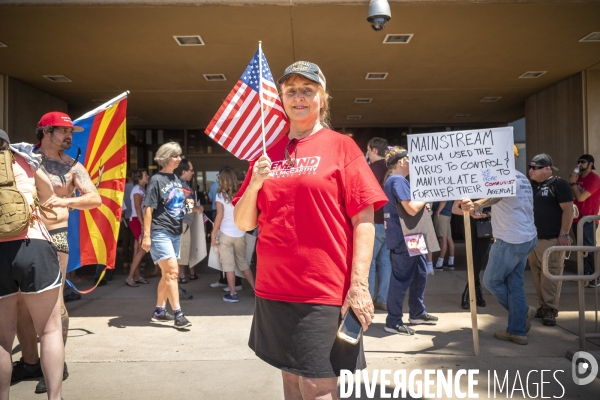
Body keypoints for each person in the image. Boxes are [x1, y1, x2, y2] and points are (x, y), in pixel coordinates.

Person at [233, 61, 387, 399]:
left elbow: (364, 220)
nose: (299, 97)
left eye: (308, 90)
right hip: (274, 288)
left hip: (324, 291)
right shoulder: (265, 153)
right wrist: (256, 182)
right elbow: (244, 222)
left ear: (323, 99)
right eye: (291, 91)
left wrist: (359, 286)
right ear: (282, 99)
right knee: (290, 379)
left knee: (317, 384)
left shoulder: (342, 146)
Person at [11, 112, 102, 394]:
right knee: (20, 305)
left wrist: (63, 202)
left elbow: (94, 198)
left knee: (55, 305)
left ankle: (56, 365)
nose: (69, 136)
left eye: (70, 131)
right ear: (46, 132)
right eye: (63, 131)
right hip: (22, 236)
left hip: (55, 238)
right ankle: (30, 362)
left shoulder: (73, 166)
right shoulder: (23, 158)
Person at [0, 130, 65, 400]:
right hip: (33, 245)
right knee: (49, 330)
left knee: (3, 339)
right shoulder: (23, 159)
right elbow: (50, 194)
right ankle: (54, 397)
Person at [460, 165, 538, 345]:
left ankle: (522, 312)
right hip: (526, 236)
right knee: (515, 283)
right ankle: (517, 331)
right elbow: (510, 204)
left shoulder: (507, 177)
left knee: (491, 281)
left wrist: (478, 203)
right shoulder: (521, 176)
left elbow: (500, 194)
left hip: (510, 240)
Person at [141, 142, 203, 330]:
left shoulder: (176, 180)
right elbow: (149, 209)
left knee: (167, 274)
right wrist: (146, 236)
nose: (179, 159)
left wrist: (192, 206)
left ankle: (159, 310)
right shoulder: (156, 180)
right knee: (173, 273)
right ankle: (178, 314)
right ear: (167, 157)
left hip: (175, 232)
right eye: (176, 156)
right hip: (160, 232)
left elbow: (182, 207)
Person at [383, 146, 439, 336]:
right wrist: (427, 196)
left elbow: (413, 207)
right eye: (410, 158)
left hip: (412, 235)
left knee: (419, 273)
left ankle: (417, 313)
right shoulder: (397, 180)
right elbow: (412, 209)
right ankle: (393, 321)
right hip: (405, 237)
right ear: (401, 162)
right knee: (401, 279)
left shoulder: (398, 180)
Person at [527, 154, 573, 326]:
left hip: (551, 239)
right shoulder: (529, 185)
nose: (531, 170)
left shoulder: (558, 184)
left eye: (535, 167)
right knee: (537, 276)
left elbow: (568, 211)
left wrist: (564, 234)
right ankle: (543, 306)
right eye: (530, 167)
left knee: (551, 275)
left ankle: (550, 309)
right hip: (531, 239)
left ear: (548, 169)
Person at [211, 168, 255, 302]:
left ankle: (233, 293)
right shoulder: (240, 194)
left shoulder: (220, 196)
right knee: (243, 263)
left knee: (228, 266)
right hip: (239, 233)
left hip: (225, 234)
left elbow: (219, 215)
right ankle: (256, 290)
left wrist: (213, 233)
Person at [366, 137, 391, 312]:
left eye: (368, 150)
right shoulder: (391, 170)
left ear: (374, 150)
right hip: (389, 223)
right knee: (385, 262)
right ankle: (382, 299)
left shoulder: (370, 170)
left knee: (369, 262)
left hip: (374, 221)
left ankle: (368, 298)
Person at [451, 199, 490, 309]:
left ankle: (467, 292)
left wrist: (486, 214)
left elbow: (498, 208)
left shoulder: (489, 185)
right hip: (470, 225)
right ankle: (478, 292)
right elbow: (454, 209)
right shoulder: (467, 185)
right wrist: (470, 213)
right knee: (472, 259)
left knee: (479, 258)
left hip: (485, 223)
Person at [569, 154, 600, 288]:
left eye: (583, 162)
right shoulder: (578, 177)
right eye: (578, 161)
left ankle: (595, 278)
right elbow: (573, 195)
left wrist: (574, 184)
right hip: (577, 217)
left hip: (588, 218)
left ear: (591, 164)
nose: (580, 164)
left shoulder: (594, 179)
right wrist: (572, 182)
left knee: (589, 247)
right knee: (582, 249)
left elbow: (581, 197)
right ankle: (586, 275)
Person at [125, 168, 150, 287]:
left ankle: (136, 275)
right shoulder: (136, 189)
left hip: (138, 220)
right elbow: (137, 207)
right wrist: (142, 223)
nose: (148, 176)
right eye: (145, 175)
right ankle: (130, 277)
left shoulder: (141, 189)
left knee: (137, 249)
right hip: (137, 220)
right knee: (142, 249)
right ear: (139, 178)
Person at [433, 201, 455, 270]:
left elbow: (444, 200)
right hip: (447, 213)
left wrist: (437, 211)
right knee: (448, 238)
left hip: (441, 214)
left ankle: (439, 264)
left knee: (442, 239)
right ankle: (451, 262)